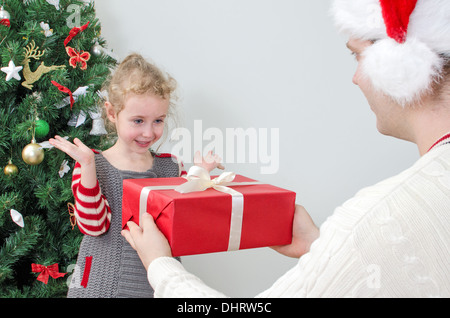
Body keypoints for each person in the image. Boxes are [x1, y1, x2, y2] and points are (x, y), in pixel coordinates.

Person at [121, 0, 450, 298]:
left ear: (400, 63)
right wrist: (320, 248)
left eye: (357, 55)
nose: (355, 78)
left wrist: (161, 266)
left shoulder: (377, 219)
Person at [50, 53, 223, 297]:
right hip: (100, 286)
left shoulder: (170, 168)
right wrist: (88, 165)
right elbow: (93, 225)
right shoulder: (93, 164)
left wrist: (200, 175)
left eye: (158, 121)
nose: (148, 132)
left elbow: (185, 220)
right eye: (138, 120)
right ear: (112, 113)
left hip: (156, 284)